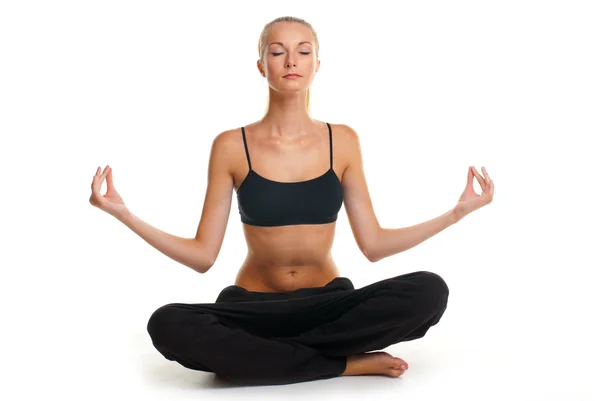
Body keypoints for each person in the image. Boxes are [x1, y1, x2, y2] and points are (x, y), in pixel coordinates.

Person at [89, 16, 494, 386]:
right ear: (261, 65)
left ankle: (268, 360)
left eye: (304, 51)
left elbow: (374, 246)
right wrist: (125, 215)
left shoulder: (344, 141)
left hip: (328, 304)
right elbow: (203, 256)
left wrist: (457, 213)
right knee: (167, 323)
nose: (290, 61)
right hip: (253, 309)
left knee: (429, 290)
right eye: (277, 52)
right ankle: (341, 362)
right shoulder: (231, 145)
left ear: (318, 64)